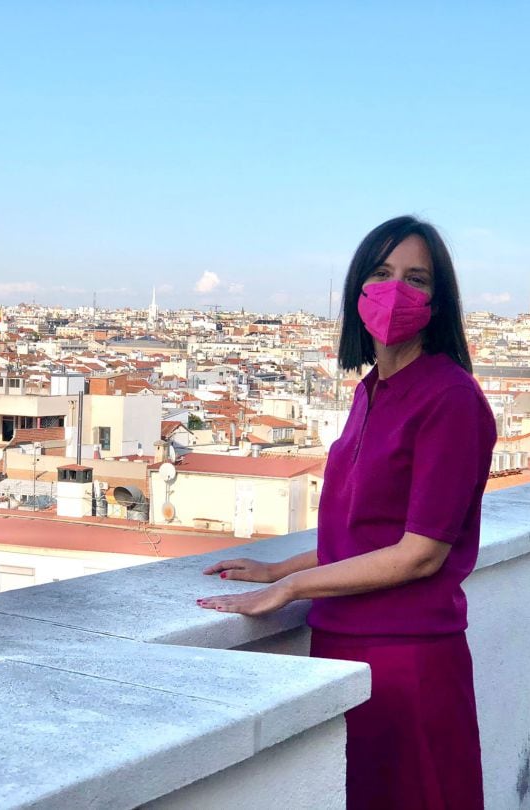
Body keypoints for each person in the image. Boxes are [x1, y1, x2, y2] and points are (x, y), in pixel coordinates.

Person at [197, 215, 496, 810]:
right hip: (341, 641)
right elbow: (366, 533)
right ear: (357, 288)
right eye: (382, 273)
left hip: (407, 653)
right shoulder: (370, 391)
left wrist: (290, 590)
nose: (396, 290)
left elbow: (419, 554)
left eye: (416, 278)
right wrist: (278, 569)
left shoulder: (451, 398)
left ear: (439, 301)